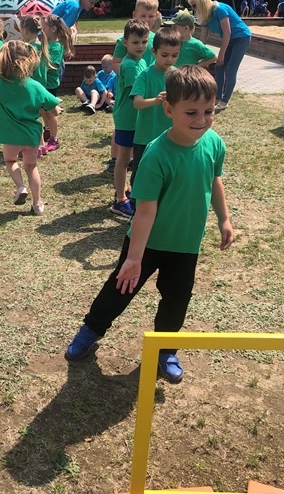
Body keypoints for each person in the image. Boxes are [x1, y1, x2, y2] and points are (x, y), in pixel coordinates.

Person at [64, 66, 233, 384]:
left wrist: (224, 218)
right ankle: (90, 330)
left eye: (209, 111)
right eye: (191, 112)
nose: (201, 119)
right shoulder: (156, 154)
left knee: (177, 299)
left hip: (186, 244)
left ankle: (165, 349)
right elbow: (144, 211)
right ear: (169, 109)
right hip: (147, 242)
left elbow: (214, 180)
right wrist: (134, 259)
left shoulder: (214, 144)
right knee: (119, 289)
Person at [0, 40, 60, 216]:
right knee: (31, 167)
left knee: (11, 161)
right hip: (31, 136)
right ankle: (37, 204)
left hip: (10, 135)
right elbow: (53, 109)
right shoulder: (35, 86)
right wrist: (56, 110)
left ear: (3, 61)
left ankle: (20, 186)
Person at [128, 27, 181, 212]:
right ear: (154, 52)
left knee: (167, 173)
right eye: (165, 55)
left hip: (169, 137)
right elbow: (137, 103)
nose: (170, 60)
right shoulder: (145, 75)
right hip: (145, 137)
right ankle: (136, 207)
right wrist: (156, 100)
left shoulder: (177, 76)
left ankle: (162, 207)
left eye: (174, 55)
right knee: (141, 173)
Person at [109, 19, 150, 218]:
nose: (140, 46)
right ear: (125, 43)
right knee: (123, 160)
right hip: (128, 119)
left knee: (130, 159)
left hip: (135, 118)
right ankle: (119, 200)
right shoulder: (131, 65)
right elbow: (138, 94)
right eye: (135, 42)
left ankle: (124, 191)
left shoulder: (140, 61)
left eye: (144, 41)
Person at [187, 0, 251, 113]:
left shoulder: (219, 9)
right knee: (218, 68)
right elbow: (203, 39)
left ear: (201, 3)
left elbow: (227, 32)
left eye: (194, 5)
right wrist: (200, 55)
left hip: (241, 37)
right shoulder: (205, 16)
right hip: (230, 40)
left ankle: (224, 101)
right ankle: (217, 97)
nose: (193, 9)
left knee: (230, 69)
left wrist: (221, 55)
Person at [40, 14, 74, 154]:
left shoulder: (56, 46)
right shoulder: (46, 43)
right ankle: (48, 130)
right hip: (43, 83)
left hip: (50, 84)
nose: (41, 31)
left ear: (53, 29)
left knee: (50, 112)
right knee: (43, 110)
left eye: (43, 28)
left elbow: (52, 65)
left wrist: (36, 66)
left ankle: (54, 139)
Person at [112, 0, 161, 73]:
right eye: (143, 16)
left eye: (151, 16)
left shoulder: (157, 39)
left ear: (156, 16)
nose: (147, 19)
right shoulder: (125, 40)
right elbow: (115, 63)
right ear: (134, 15)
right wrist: (129, 72)